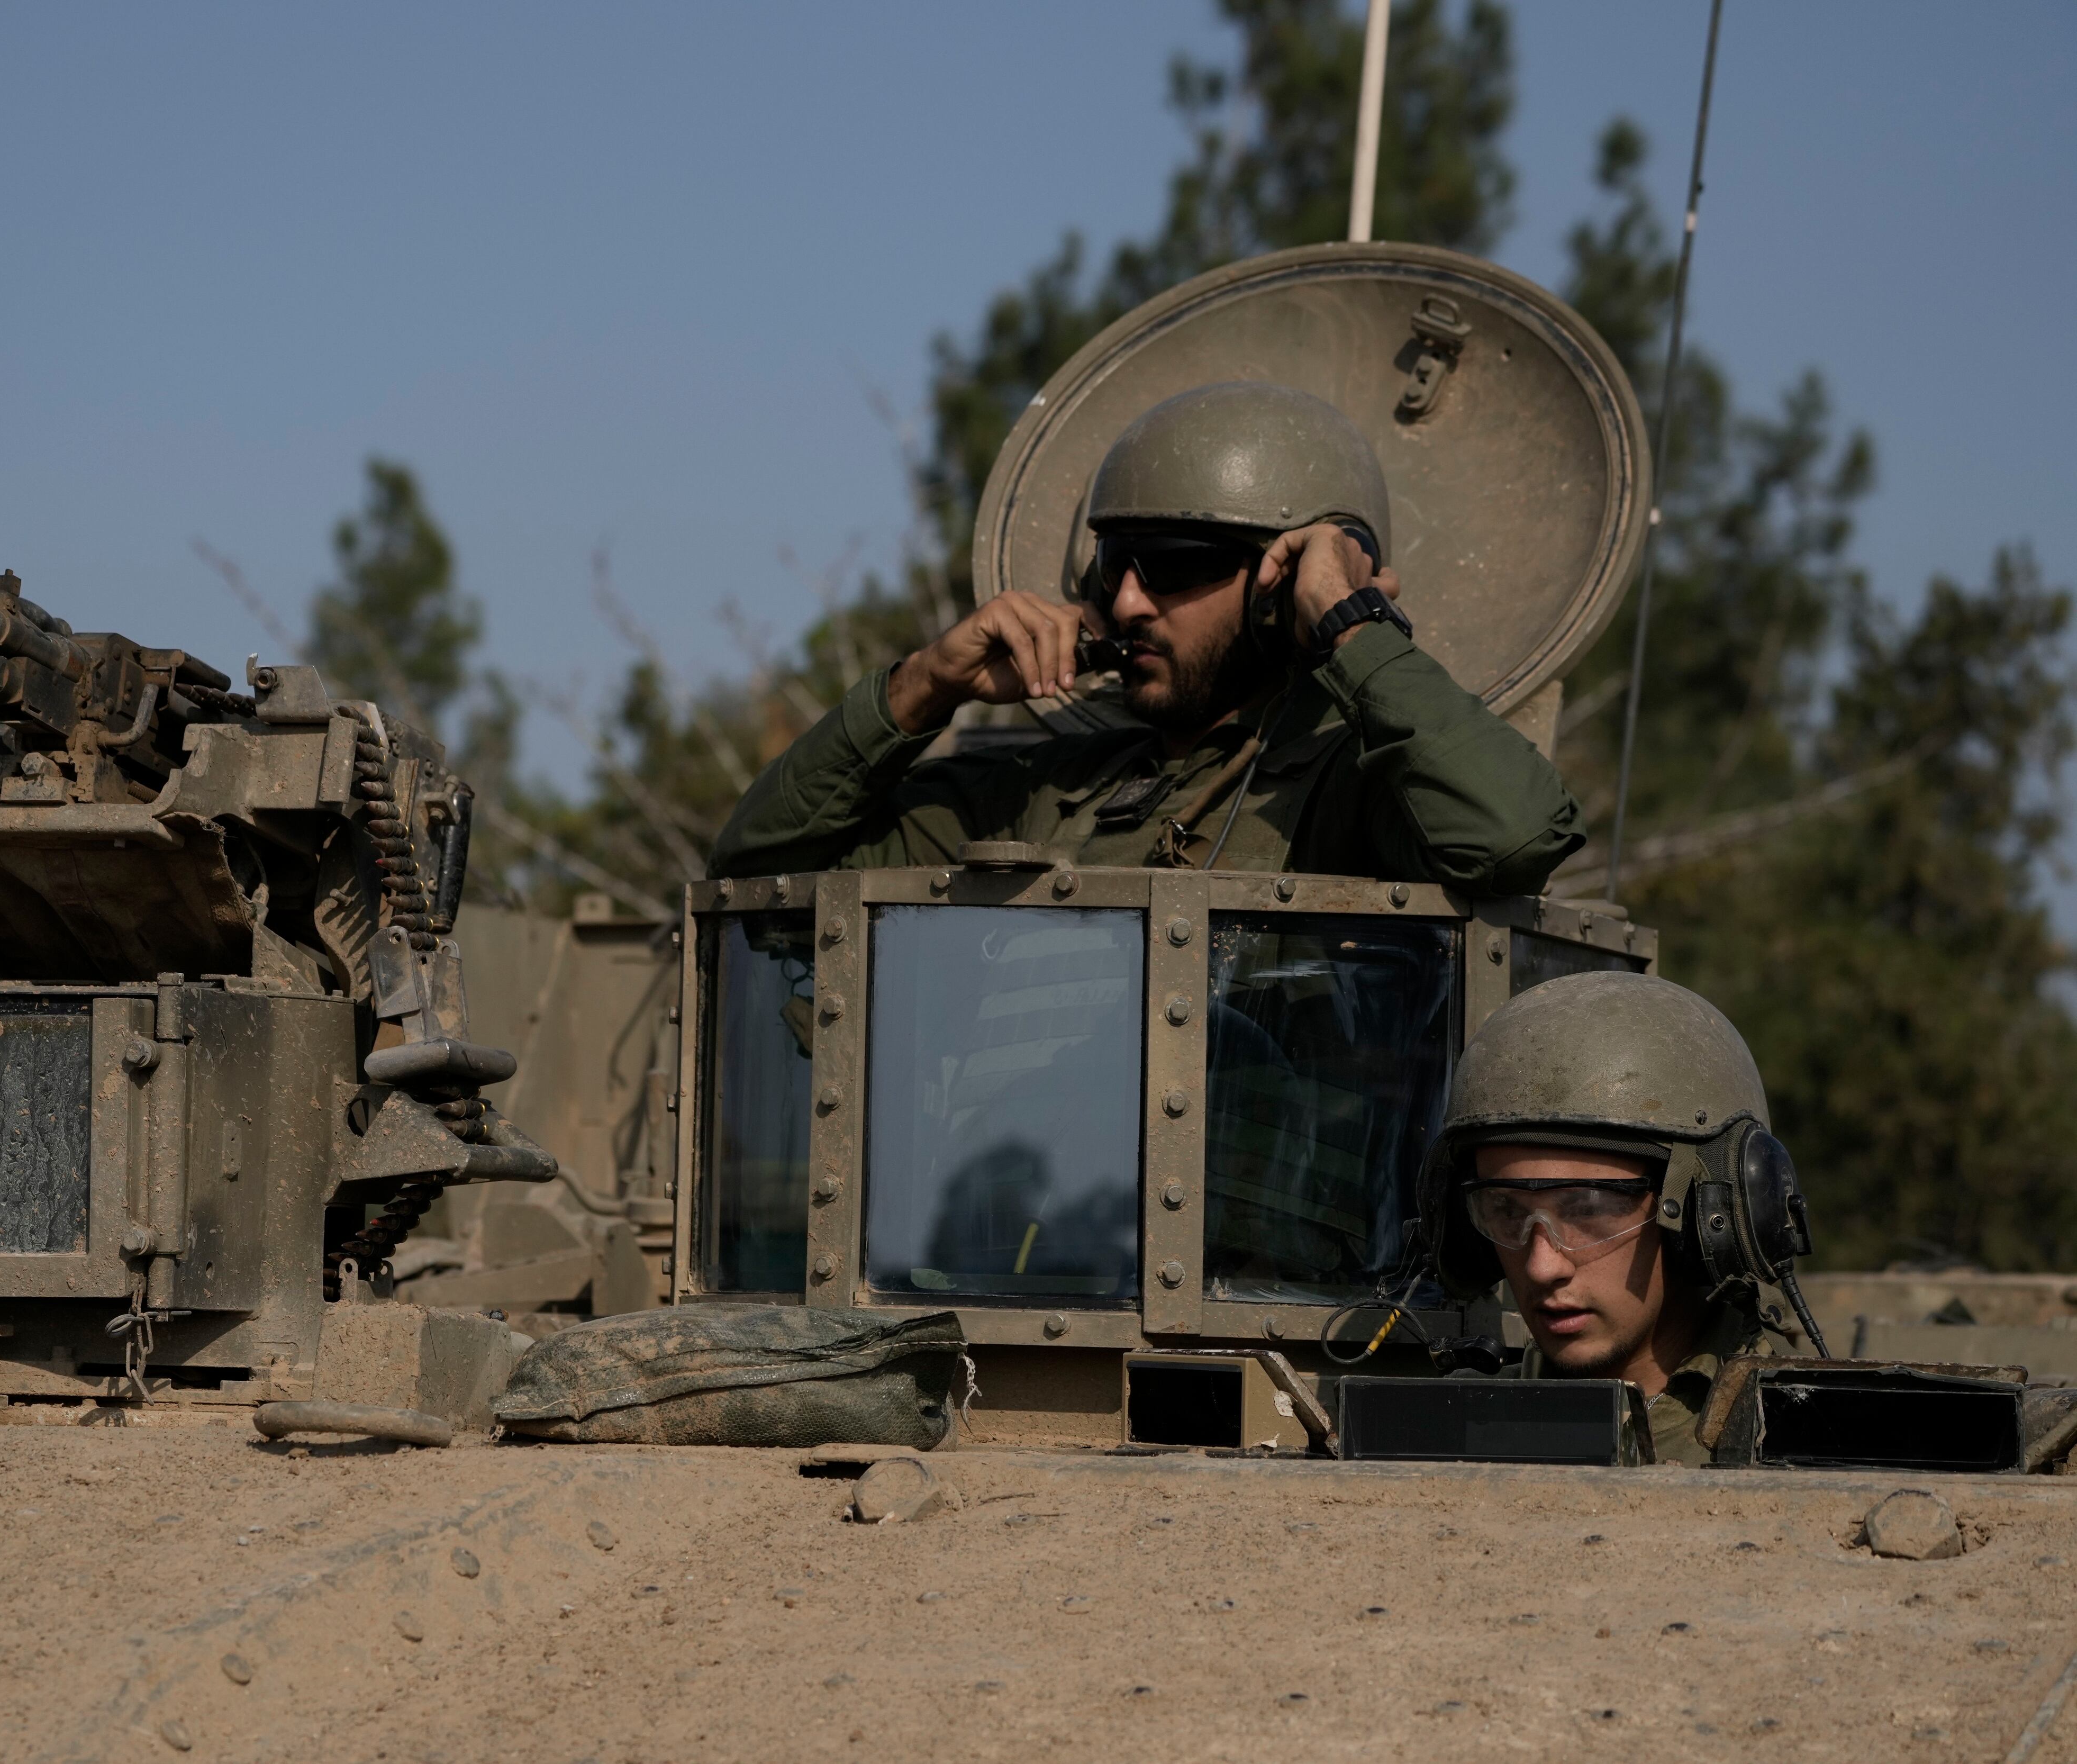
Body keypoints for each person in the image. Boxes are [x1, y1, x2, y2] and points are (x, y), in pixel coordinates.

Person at [709, 381, 1583, 892]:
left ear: (1283, 584)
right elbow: (755, 879)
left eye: (1172, 564)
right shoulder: (1030, 789)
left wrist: (1349, 621)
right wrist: (922, 687)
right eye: (1114, 563)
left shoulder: (1354, 787)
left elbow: (1511, 836)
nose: (1127, 602)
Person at [1418, 969, 1826, 1464]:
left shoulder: (1804, 1438)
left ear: (1708, 1216)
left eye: (1587, 1209)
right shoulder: (1456, 1428)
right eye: (1506, 1210)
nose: (1542, 1267)